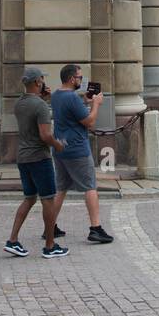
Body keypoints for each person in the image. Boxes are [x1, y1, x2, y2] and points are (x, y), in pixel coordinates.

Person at [4, 67, 68, 259]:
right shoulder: (39, 106)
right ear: (37, 82)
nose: (43, 82)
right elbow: (45, 135)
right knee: (48, 199)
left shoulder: (20, 103)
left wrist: (44, 100)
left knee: (29, 198)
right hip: (39, 157)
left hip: (23, 157)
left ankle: (13, 240)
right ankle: (50, 245)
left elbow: (31, 119)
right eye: (41, 79)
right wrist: (58, 146)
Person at [50, 64, 114, 244]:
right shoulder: (72, 98)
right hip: (77, 149)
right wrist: (96, 104)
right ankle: (96, 229)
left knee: (60, 189)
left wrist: (84, 102)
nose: (81, 80)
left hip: (59, 148)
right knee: (90, 187)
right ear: (71, 79)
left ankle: (50, 226)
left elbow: (70, 112)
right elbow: (90, 122)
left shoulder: (56, 95)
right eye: (79, 78)